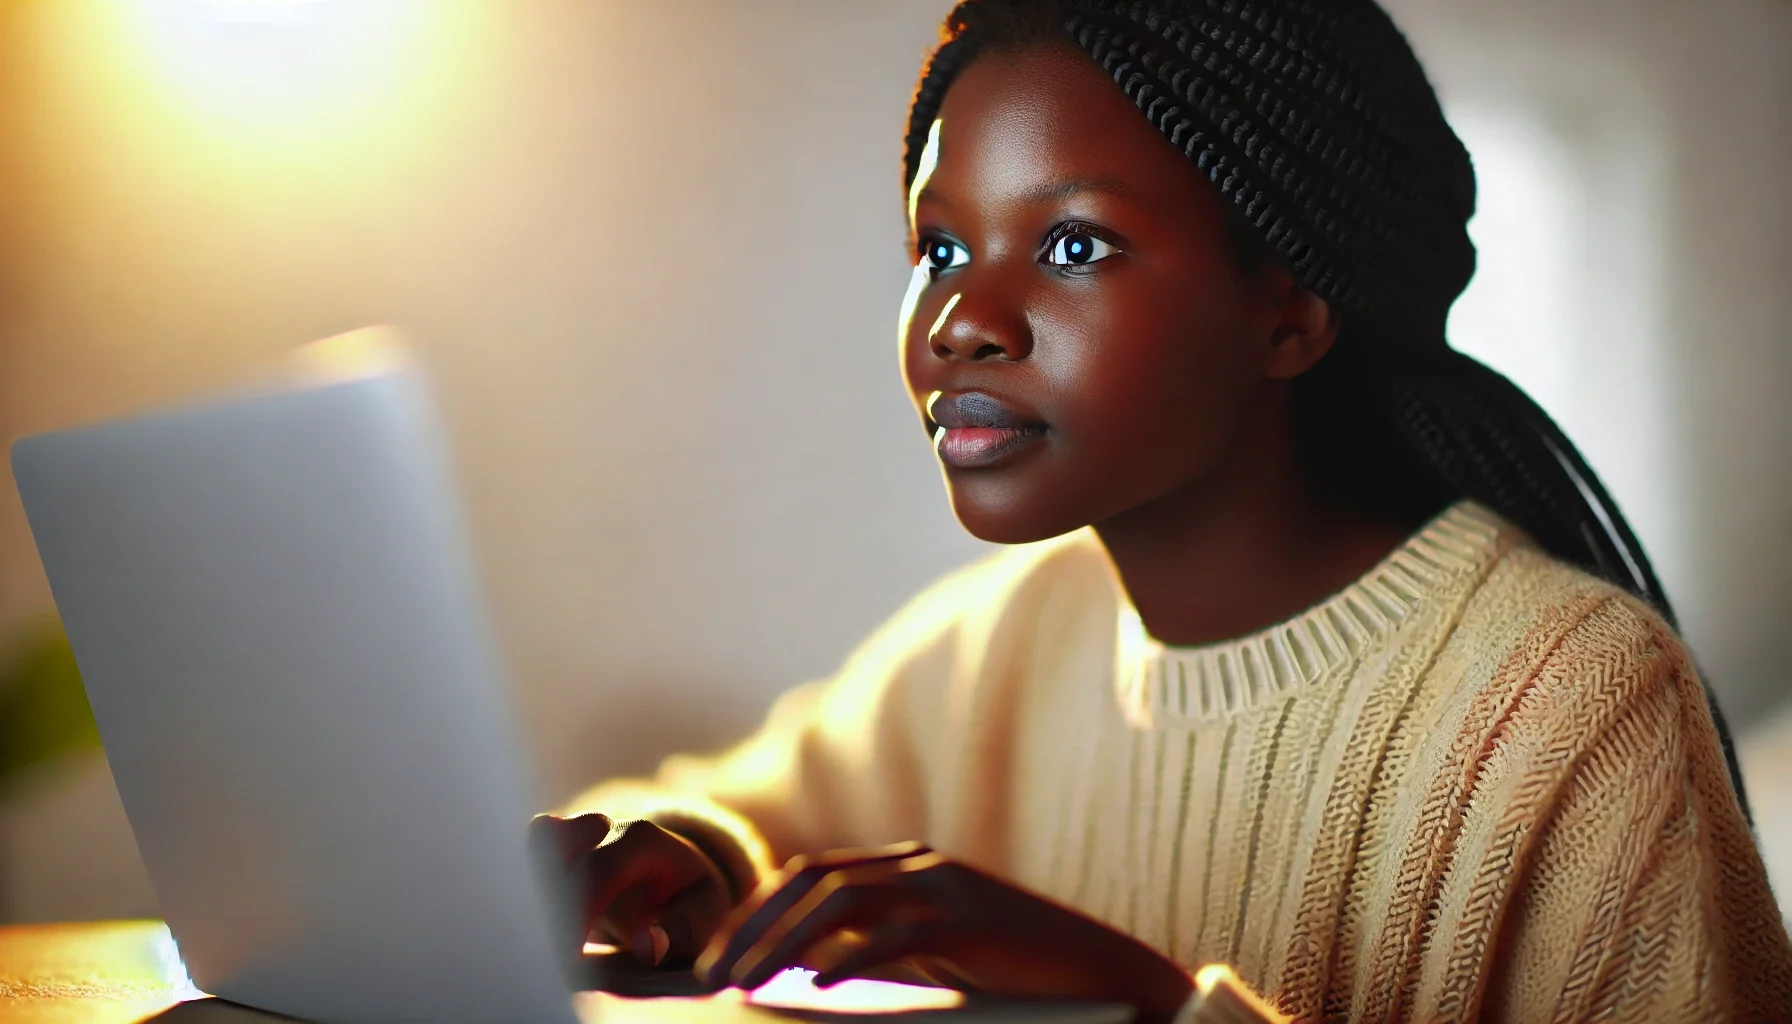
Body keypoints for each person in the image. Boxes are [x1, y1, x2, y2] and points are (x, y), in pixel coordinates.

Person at [530, 2, 1792, 1021]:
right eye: (942, 247)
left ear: (1287, 310)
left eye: (1074, 245)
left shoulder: (1570, 703)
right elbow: (745, 810)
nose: (959, 320)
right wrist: (692, 865)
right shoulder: (998, 650)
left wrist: (1149, 1009)